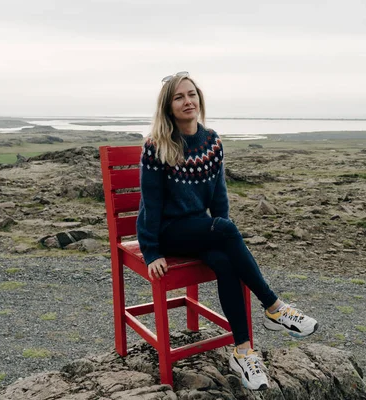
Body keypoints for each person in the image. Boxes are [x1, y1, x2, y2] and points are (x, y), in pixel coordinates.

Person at [136, 71, 319, 390]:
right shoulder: (157, 146)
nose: (187, 101)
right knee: (223, 234)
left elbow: (219, 199)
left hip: (199, 229)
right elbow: (150, 205)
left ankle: (243, 351)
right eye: (178, 97)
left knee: (224, 261)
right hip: (167, 232)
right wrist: (151, 251)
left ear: (199, 98)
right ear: (168, 107)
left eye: (191, 94)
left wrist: (222, 233)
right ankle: (274, 307)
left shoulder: (212, 143)